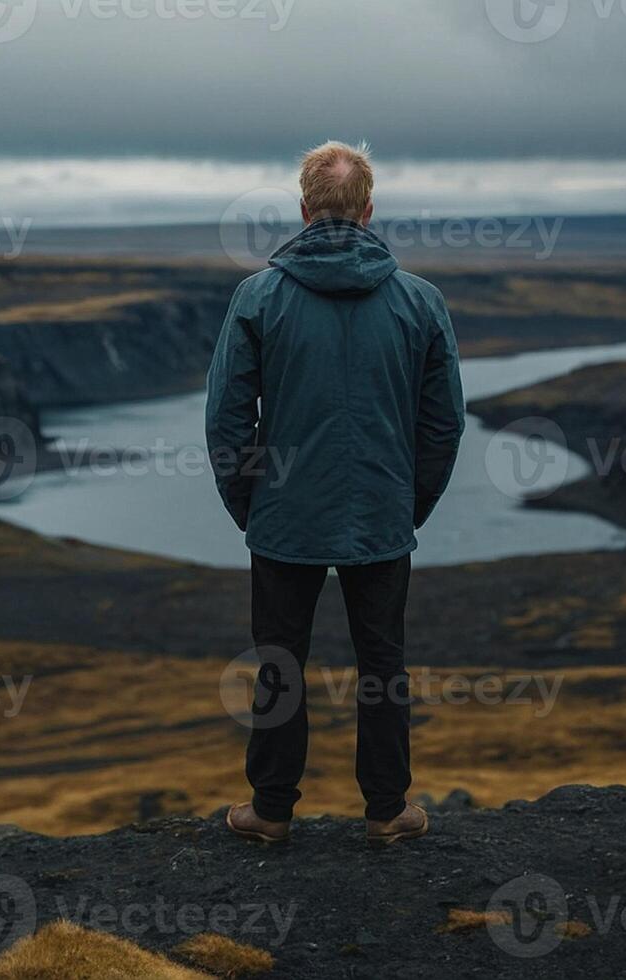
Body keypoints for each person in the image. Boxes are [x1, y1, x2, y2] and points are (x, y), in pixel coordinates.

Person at [206, 141, 465, 845]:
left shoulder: (258, 297)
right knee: (383, 664)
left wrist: (251, 507)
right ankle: (388, 811)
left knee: (280, 662)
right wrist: (408, 504)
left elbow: (228, 419)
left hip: (284, 518)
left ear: (304, 209)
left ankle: (269, 811)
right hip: (381, 515)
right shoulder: (420, 301)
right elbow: (443, 424)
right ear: (369, 210)